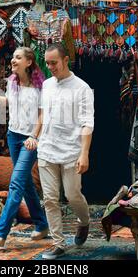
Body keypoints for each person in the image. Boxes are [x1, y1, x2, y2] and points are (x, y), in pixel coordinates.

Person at [0, 47, 49, 250]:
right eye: (13, 57)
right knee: (25, 183)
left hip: (29, 140)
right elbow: (9, 103)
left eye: (18, 57)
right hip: (13, 136)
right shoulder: (12, 82)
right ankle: (42, 224)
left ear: (29, 62)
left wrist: (34, 136)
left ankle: (0, 233)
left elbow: (43, 115)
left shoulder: (40, 87)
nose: (13, 60)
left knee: (15, 183)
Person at [37, 42, 94, 260]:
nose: (50, 66)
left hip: (71, 150)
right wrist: (35, 137)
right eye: (47, 63)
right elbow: (43, 115)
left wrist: (84, 153)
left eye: (54, 63)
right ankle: (58, 243)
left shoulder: (82, 88)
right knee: (50, 199)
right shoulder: (47, 85)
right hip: (47, 149)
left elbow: (87, 122)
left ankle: (85, 221)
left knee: (72, 195)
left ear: (65, 60)